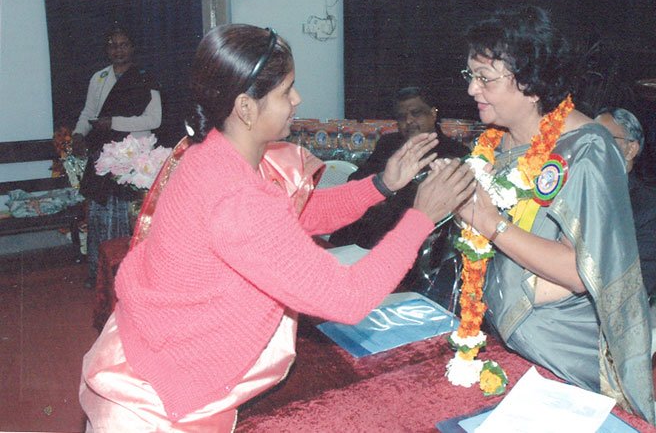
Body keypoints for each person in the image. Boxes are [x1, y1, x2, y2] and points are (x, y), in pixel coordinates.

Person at [78, 24, 475, 431]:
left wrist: (382, 184)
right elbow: (349, 297)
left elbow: (296, 213)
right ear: (246, 107)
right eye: (286, 91)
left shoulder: (211, 155)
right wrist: (421, 218)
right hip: (160, 401)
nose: (297, 99)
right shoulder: (237, 195)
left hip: (147, 352)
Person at [455, 6, 654, 421]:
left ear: (529, 83)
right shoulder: (496, 142)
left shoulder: (587, 150)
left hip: (562, 359)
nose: (473, 89)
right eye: (470, 75)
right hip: (501, 343)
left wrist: (489, 223)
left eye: (485, 78)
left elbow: (582, 271)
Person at [72, 25, 162, 289]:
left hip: (133, 155)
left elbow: (154, 120)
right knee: (100, 214)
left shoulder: (145, 77)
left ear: (132, 48)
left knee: (127, 216)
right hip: (104, 154)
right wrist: (78, 134)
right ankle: (101, 275)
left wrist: (114, 123)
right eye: (113, 45)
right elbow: (89, 112)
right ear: (106, 49)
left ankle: (130, 277)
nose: (118, 50)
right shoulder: (99, 78)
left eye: (123, 44)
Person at [328, 86, 468, 248]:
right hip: (371, 232)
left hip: (422, 237)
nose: (408, 121)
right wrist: (379, 188)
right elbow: (356, 180)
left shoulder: (456, 153)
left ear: (433, 113)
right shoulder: (388, 144)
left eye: (416, 113)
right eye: (402, 117)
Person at [596, 107, 656, 296]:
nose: (593, 147)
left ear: (631, 149)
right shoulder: (576, 190)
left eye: (603, 139)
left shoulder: (651, 213)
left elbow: (634, 287)